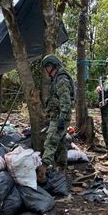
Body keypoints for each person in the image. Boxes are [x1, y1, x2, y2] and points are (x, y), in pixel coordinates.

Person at [37, 54, 75, 183]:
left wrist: (61, 120)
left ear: (51, 66)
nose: (46, 71)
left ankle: (42, 172)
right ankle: (61, 168)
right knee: (61, 143)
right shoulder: (58, 78)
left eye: (47, 67)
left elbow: (66, 102)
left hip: (60, 117)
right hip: (58, 116)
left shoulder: (61, 80)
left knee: (50, 142)